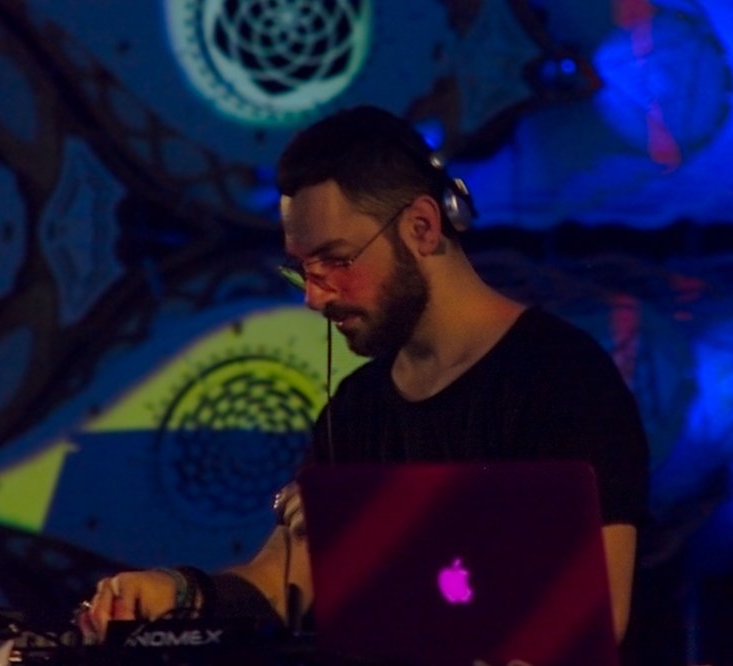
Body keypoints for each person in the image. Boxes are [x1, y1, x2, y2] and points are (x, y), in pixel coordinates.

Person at [80, 105, 648, 647]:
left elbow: (599, 612)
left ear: (422, 227)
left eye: (337, 260)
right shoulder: (356, 408)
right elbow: (279, 585)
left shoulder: (562, 379)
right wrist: (178, 594)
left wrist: (380, 519)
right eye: (303, 270)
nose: (314, 296)